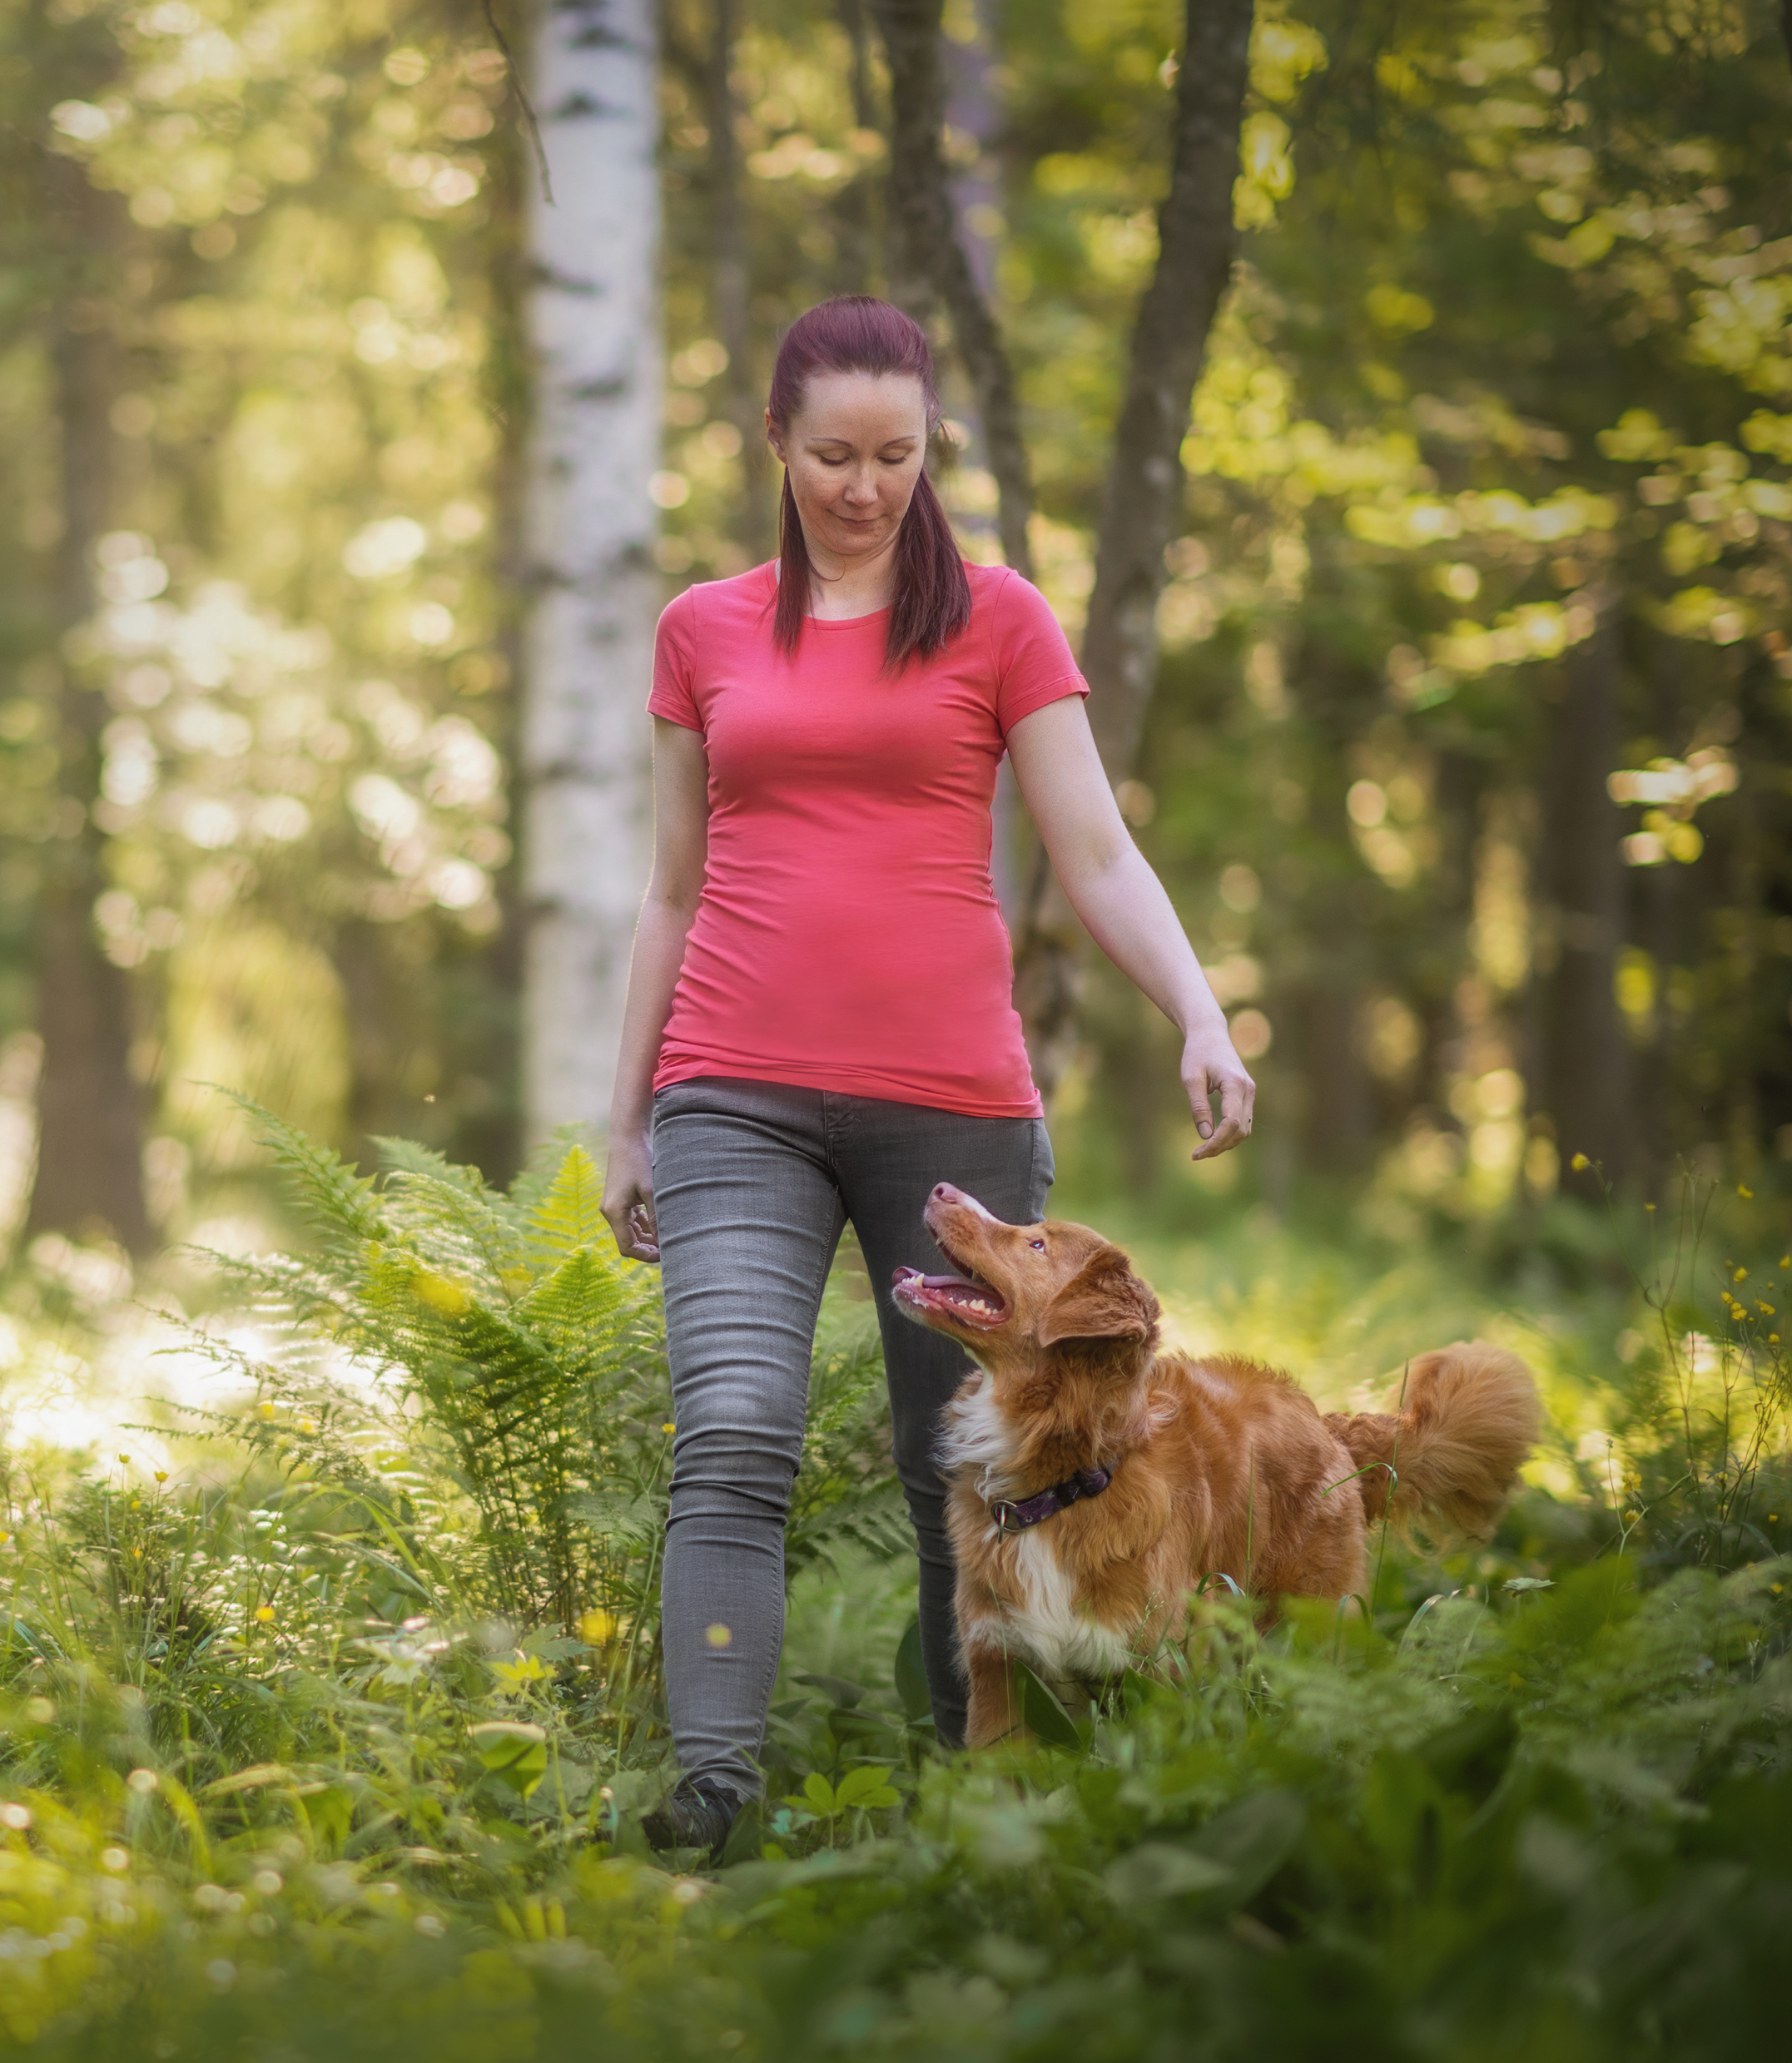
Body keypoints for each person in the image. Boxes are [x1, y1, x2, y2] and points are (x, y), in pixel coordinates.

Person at [598, 295, 1254, 1849]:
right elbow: (670, 890)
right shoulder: (704, 628)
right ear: (775, 445)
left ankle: (972, 1805)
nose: (864, 486)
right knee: (739, 1425)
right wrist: (623, 1114)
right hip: (733, 1091)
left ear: (929, 449)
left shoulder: (1001, 619)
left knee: (953, 1463)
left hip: (952, 1111)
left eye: (897, 454)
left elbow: (1094, 851)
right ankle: (715, 1795)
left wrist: (1201, 1013)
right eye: (833, 454)